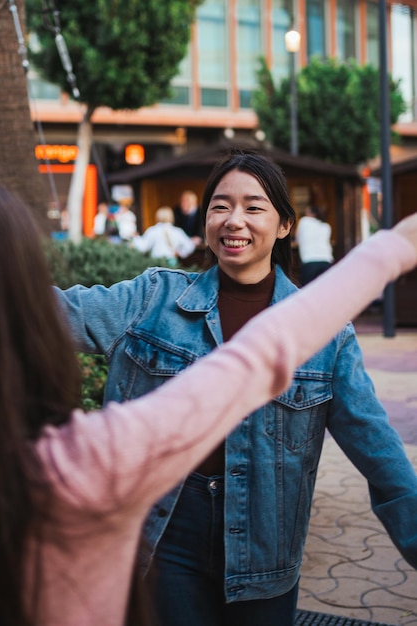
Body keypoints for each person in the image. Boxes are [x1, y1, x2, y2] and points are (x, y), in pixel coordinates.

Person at [55, 150, 417, 626]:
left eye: (253, 206)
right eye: (220, 206)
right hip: (163, 535)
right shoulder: (152, 298)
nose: (234, 221)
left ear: (284, 225)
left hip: (265, 548)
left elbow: (380, 454)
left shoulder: (326, 334)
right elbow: (51, 316)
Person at [296, 204, 334, 285]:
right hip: (326, 260)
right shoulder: (326, 226)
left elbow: (297, 239)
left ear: (312, 214)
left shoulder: (304, 221)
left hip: (310, 260)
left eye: (307, 212)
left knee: (308, 291)